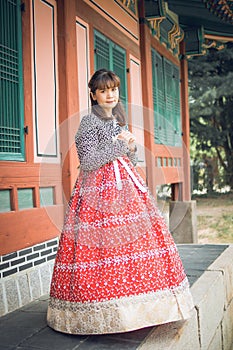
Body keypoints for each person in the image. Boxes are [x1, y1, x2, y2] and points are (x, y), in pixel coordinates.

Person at [47, 69, 194, 335]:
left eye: (113, 89)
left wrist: (132, 147)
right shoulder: (88, 123)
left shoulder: (117, 119)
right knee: (102, 249)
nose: (109, 95)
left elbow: (128, 160)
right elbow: (89, 161)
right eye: (103, 91)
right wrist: (119, 144)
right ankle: (104, 312)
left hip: (126, 188)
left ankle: (141, 308)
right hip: (97, 192)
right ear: (93, 94)